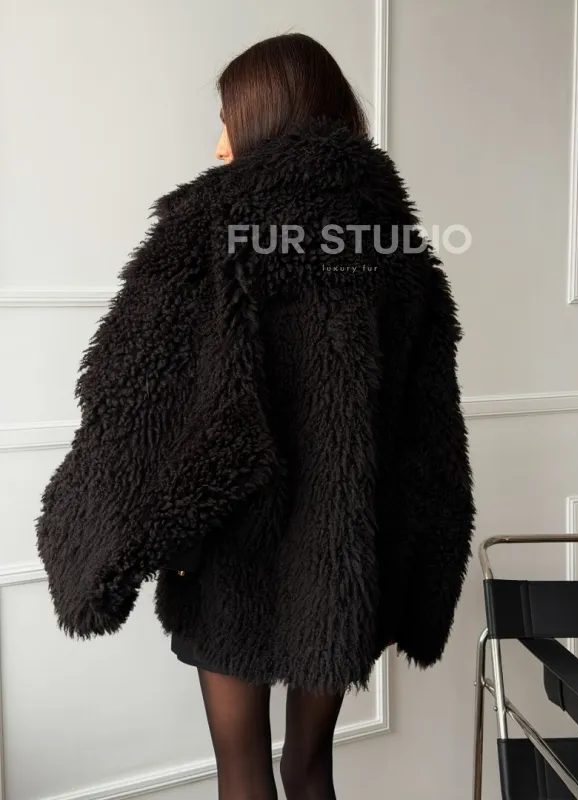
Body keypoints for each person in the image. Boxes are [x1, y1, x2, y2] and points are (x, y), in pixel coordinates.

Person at [36, 32, 475, 800]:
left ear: (265, 115)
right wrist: (410, 562)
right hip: (345, 561)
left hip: (235, 555)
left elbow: (144, 398)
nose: (218, 146)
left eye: (227, 121)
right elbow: (429, 435)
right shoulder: (394, 244)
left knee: (242, 771)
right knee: (309, 768)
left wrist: (114, 533)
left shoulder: (211, 225)